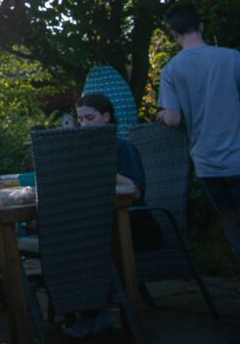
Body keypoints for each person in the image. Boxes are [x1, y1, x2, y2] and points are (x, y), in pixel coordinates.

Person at [156, 1, 240, 339]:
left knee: (237, 233)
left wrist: (161, 115)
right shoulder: (232, 58)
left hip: (207, 166)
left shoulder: (172, 71)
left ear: (174, 33)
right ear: (200, 25)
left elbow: (173, 119)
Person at [64, 93, 162, 339]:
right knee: (68, 238)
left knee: (88, 243)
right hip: (105, 225)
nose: (85, 124)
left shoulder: (122, 147)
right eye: (81, 120)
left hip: (137, 225)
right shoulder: (86, 152)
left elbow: (136, 191)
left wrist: (102, 168)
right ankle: (87, 313)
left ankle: (93, 315)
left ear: (106, 117)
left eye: (90, 118)